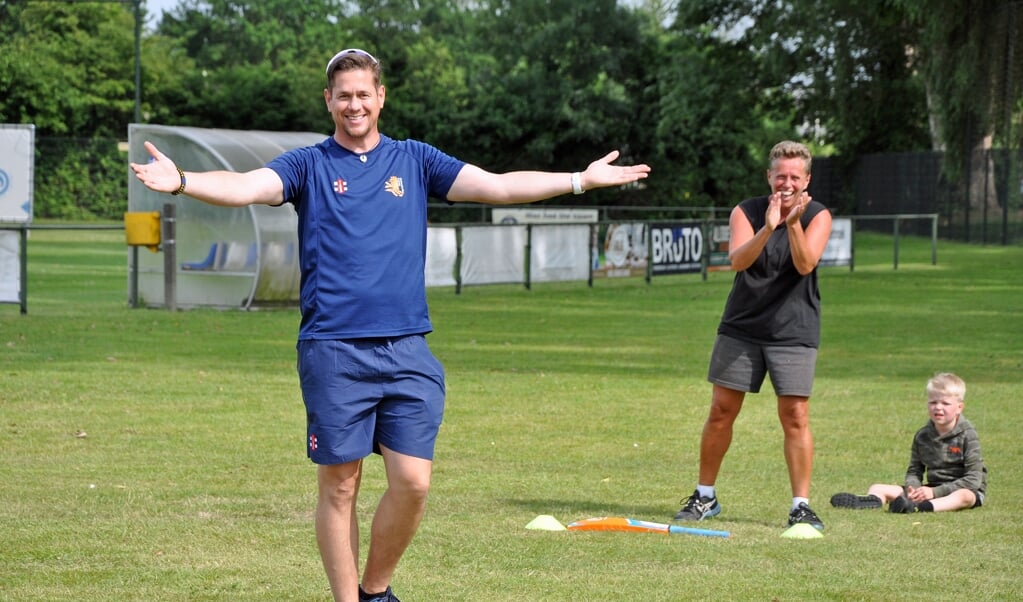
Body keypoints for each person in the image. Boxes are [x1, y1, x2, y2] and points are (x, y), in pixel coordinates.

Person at [130, 48, 650, 602]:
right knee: (340, 485)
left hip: (406, 350)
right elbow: (246, 187)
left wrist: (580, 180)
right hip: (333, 348)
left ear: (380, 98)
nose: (354, 104)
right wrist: (183, 180)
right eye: (343, 95)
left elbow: (498, 186)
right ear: (328, 100)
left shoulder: (415, 159)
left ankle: (376, 589)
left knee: (414, 482)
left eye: (363, 94)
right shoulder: (308, 164)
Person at [673, 140, 832, 530]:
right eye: (781, 175)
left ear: (807, 179)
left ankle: (800, 506)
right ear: (769, 176)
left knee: (795, 415)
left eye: (795, 176)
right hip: (742, 327)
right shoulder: (746, 210)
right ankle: (704, 496)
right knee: (721, 412)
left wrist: (793, 223)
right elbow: (738, 260)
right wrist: (769, 226)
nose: (787, 183)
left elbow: (805, 263)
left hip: (794, 330)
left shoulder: (817, 215)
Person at [830, 372, 987, 514]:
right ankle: (874, 501)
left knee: (964, 496)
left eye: (945, 403)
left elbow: (973, 479)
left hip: (962, 490)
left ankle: (919, 507)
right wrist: (914, 489)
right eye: (933, 402)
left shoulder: (968, 435)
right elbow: (914, 470)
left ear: (959, 407)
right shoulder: (922, 435)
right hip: (930, 488)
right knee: (877, 487)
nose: (938, 407)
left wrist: (935, 493)